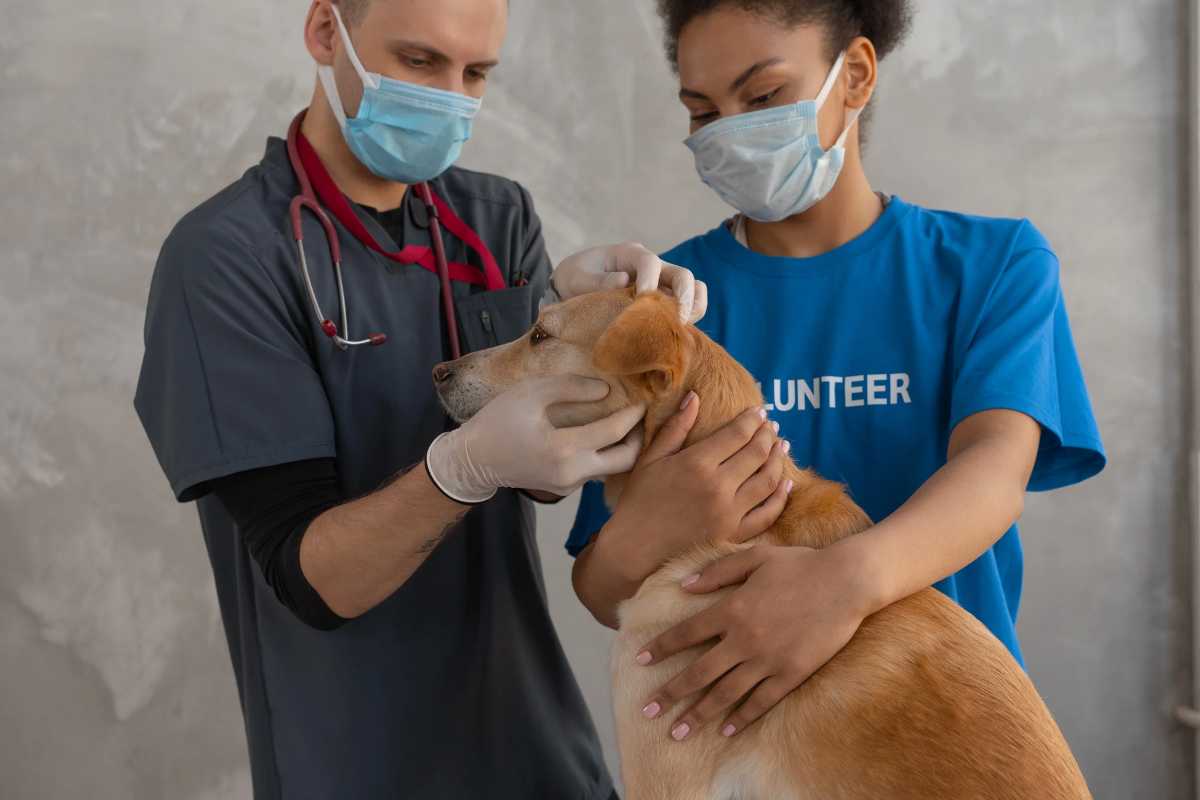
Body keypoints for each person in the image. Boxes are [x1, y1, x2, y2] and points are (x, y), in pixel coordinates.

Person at [132, 1, 790, 797]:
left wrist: (591, 329)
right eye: (419, 61)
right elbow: (314, 581)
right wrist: (462, 468)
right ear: (323, 33)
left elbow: (544, 471)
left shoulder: (494, 218)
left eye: (475, 73)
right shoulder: (228, 259)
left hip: (534, 746)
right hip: (354, 757)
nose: (450, 96)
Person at [570, 0, 1106, 746]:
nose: (727, 132)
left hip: (947, 736)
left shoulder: (993, 267)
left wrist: (841, 585)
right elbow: (600, 587)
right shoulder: (664, 309)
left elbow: (994, 472)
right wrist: (639, 537)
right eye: (702, 111)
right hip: (745, 756)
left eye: (761, 99)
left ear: (854, 75)